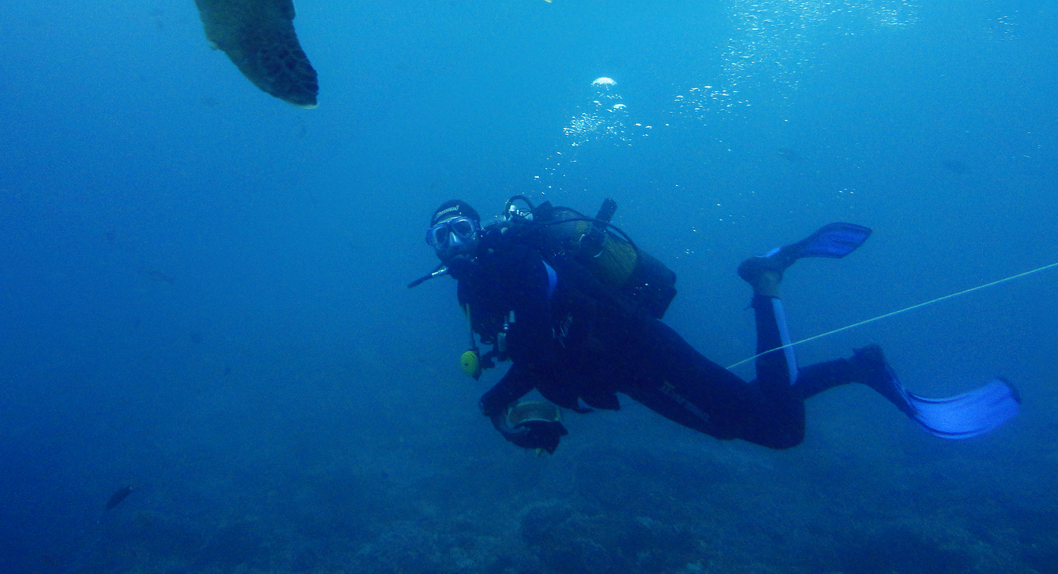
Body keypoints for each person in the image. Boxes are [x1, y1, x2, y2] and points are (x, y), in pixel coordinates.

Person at [415, 198, 1021, 455]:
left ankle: (766, 281)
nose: (452, 243)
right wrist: (505, 401)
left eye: (460, 229)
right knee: (755, 416)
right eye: (440, 237)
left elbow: (537, 345)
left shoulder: (516, 261)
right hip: (631, 373)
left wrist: (494, 404)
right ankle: (855, 368)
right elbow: (536, 351)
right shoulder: (479, 292)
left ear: (482, 230)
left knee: (779, 432)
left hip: (643, 354)